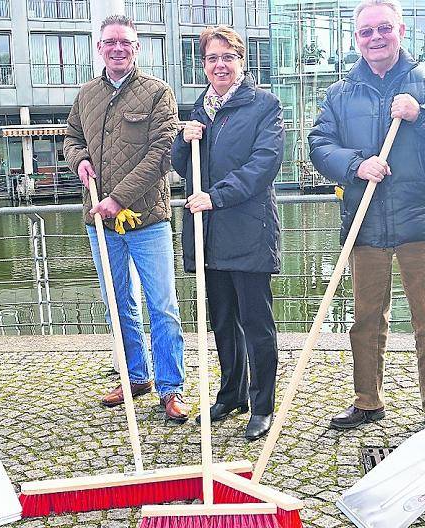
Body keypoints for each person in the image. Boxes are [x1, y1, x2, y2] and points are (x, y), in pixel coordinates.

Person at [308, 0, 425, 431]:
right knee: (365, 320)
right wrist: (356, 165)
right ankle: (368, 401)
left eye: (384, 29)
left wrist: (422, 114)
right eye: (366, 31)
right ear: (357, 39)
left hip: (422, 218)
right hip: (366, 220)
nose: (375, 38)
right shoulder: (340, 93)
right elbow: (319, 144)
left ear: (401, 31)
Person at [64, 15, 189, 422]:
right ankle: (136, 377)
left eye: (126, 42)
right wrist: (79, 160)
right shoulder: (86, 95)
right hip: (99, 222)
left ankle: (171, 387)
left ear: (137, 48)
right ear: (99, 48)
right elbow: (71, 137)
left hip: (148, 219)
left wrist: (119, 198)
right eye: (110, 42)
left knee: (162, 305)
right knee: (117, 303)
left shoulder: (158, 92)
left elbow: (162, 153)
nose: (118, 48)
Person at [172, 26, 284, 441]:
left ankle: (262, 404)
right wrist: (183, 141)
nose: (220, 65)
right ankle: (231, 394)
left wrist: (215, 197)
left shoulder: (264, 105)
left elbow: (263, 165)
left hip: (249, 231)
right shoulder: (199, 109)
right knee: (222, 320)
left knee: (256, 323)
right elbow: (183, 167)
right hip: (209, 235)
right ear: (203, 65)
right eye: (212, 58)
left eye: (228, 57)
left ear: (241, 61)